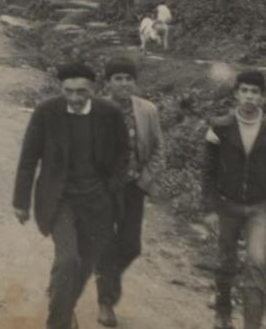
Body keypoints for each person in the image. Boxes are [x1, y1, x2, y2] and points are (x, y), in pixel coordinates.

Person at [13, 62, 129, 329]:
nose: (75, 98)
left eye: (81, 92)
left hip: (97, 201)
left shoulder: (109, 113)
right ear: (60, 88)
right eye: (69, 91)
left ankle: (63, 303)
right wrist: (21, 202)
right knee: (67, 261)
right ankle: (59, 322)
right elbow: (29, 157)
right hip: (59, 200)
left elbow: (124, 153)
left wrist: (111, 187)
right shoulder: (46, 112)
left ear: (94, 89)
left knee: (85, 264)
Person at [202, 70, 266, 329]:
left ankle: (252, 325)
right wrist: (209, 209)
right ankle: (222, 311)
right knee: (225, 262)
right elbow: (207, 173)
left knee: (257, 264)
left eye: (255, 92)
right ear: (236, 94)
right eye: (245, 91)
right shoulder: (220, 127)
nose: (250, 97)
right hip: (226, 205)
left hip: (258, 209)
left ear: (262, 97)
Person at [94, 58, 163, 327]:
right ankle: (106, 302)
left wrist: (146, 180)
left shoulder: (147, 110)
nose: (123, 83)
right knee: (107, 244)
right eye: (117, 78)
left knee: (131, 246)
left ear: (135, 82)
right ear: (108, 82)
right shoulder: (95, 109)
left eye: (128, 78)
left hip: (134, 187)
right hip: (102, 189)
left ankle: (104, 275)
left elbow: (159, 149)